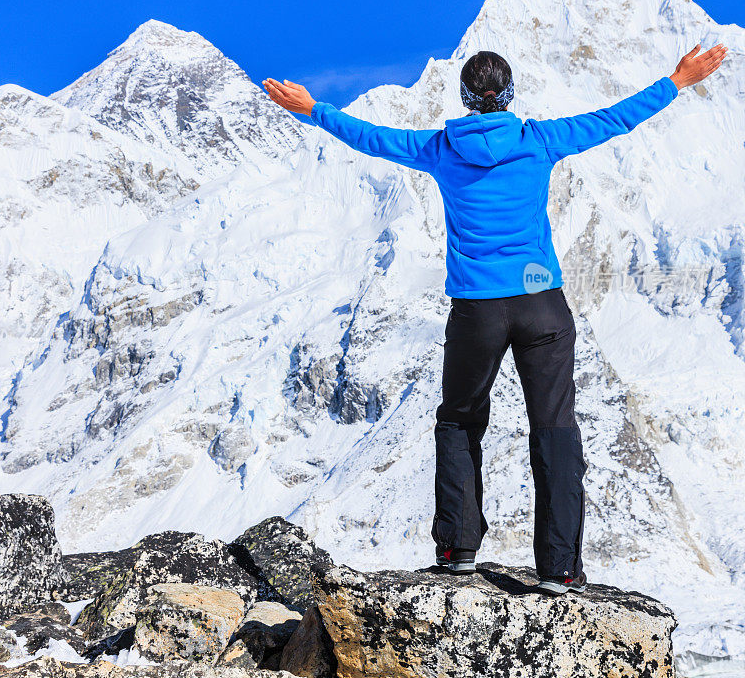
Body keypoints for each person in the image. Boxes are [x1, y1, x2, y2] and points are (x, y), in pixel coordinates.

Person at [262, 42, 727, 595]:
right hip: (541, 304)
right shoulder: (539, 140)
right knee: (554, 427)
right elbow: (614, 119)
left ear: (464, 98)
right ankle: (559, 568)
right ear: (508, 96)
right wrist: (677, 80)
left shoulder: (440, 148)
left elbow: (374, 139)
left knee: (459, 420)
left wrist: (314, 109)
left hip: (476, 309)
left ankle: (458, 550)